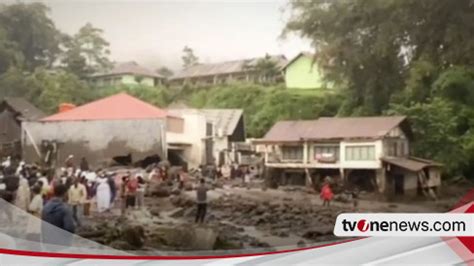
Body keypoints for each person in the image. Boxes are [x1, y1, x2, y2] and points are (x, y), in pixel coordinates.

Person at [41, 184, 75, 248]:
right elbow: (69, 228)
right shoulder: (64, 209)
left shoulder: (46, 206)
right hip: (61, 243)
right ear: (65, 193)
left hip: (47, 241)